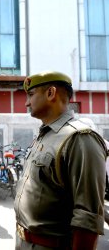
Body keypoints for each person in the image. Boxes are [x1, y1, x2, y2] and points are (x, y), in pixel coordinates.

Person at [15, 71, 107, 250]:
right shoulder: (45, 135)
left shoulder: (79, 138)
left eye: (31, 95)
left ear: (51, 93)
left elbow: (87, 218)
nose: (27, 103)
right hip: (25, 242)